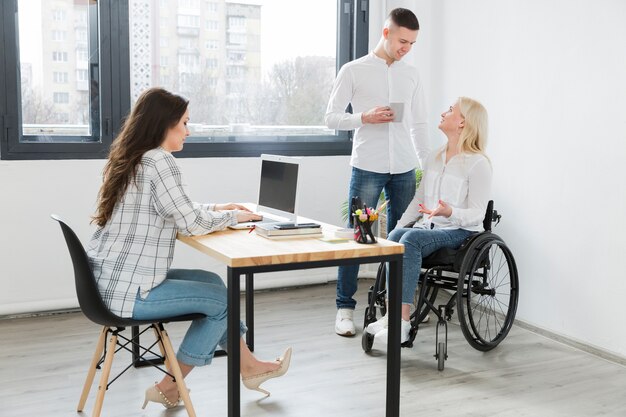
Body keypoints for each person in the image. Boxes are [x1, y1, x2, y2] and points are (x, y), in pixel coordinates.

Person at [87, 87, 292, 408]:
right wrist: (234, 216)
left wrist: (219, 207)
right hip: (131, 294)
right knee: (223, 303)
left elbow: (174, 207)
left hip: (109, 284)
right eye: (184, 123)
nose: (188, 130)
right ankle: (170, 386)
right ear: (163, 125)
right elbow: (191, 222)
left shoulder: (134, 158)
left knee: (213, 284)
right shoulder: (159, 161)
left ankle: (249, 366)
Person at [325, 7, 430, 336]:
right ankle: (344, 309)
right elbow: (330, 118)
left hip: (403, 167)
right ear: (386, 32)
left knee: (404, 242)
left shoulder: (411, 75)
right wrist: (363, 118)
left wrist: (428, 168)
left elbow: (421, 124)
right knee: (359, 238)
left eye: (412, 43)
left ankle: (397, 310)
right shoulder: (354, 71)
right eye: (402, 41)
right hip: (367, 165)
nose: (406, 49)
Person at [365, 97, 492, 343]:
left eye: (451, 110)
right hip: (430, 229)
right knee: (396, 237)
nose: (444, 112)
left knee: (411, 239)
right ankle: (392, 316)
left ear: (463, 122)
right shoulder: (435, 157)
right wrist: (398, 227)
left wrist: (450, 212)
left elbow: (478, 212)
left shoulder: (478, 164)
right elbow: (418, 201)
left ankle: (401, 323)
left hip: (461, 232)